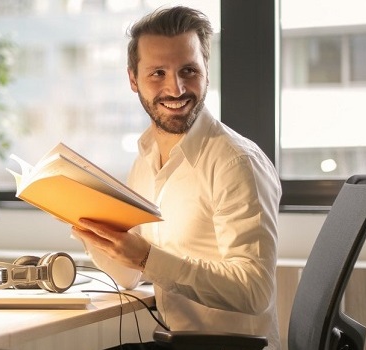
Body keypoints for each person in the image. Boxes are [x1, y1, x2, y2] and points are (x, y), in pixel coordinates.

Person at [71, 5, 282, 350]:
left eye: (189, 70)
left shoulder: (235, 162)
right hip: (177, 341)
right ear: (133, 79)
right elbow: (129, 276)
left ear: (206, 72)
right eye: (157, 73)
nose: (176, 88)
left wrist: (146, 257)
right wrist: (90, 229)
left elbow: (255, 290)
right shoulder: (146, 158)